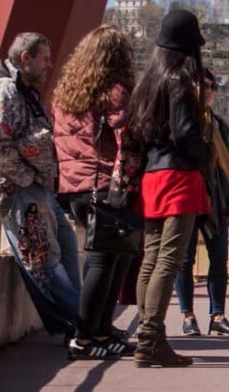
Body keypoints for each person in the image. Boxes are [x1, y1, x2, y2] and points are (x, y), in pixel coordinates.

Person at [0, 32, 80, 339]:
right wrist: (27, 178)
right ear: (25, 58)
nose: (49, 66)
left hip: (29, 181)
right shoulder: (0, 89)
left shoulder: (24, 90)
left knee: (67, 242)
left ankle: (78, 323)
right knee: (43, 256)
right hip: (9, 183)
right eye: (45, 59)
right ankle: (85, 327)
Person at [129, 9, 210, 367]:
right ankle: (151, 338)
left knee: (151, 258)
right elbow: (185, 135)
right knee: (170, 260)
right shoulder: (179, 80)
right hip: (178, 176)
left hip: (151, 175)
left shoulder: (148, 81)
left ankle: (147, 336)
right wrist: (204, 153)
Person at [52, 25, 137, 360]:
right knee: (106, 260)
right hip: (105, 185)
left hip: (75, 187)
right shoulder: (114, 92)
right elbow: (128, 136)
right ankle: (85, 337)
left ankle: (100, 331)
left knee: (107, 256)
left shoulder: (66, 93)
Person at [174, 68, 229, 337]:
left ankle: (218, 316)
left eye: (214, 86)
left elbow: (227, 169)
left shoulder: (216, 124)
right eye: (206, 85)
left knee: (220, 259)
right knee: (184, 258)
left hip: (215, 196)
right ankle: (188, 316)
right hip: (189, 193)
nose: (212, 91)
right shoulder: (183, 122)